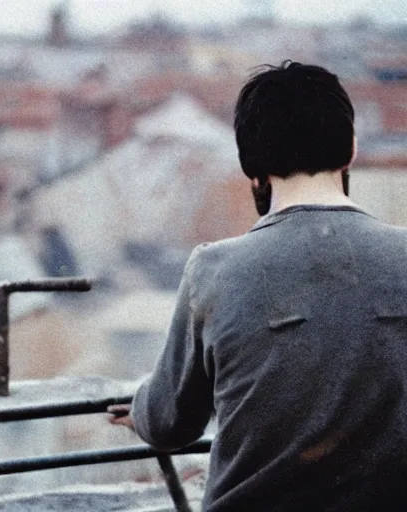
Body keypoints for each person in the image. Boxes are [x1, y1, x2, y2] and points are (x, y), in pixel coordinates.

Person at [108, 60, 407, 511]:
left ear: (253, 166)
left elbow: (172, 423)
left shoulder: (215, 270)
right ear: (350, 149)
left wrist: (142, 412)